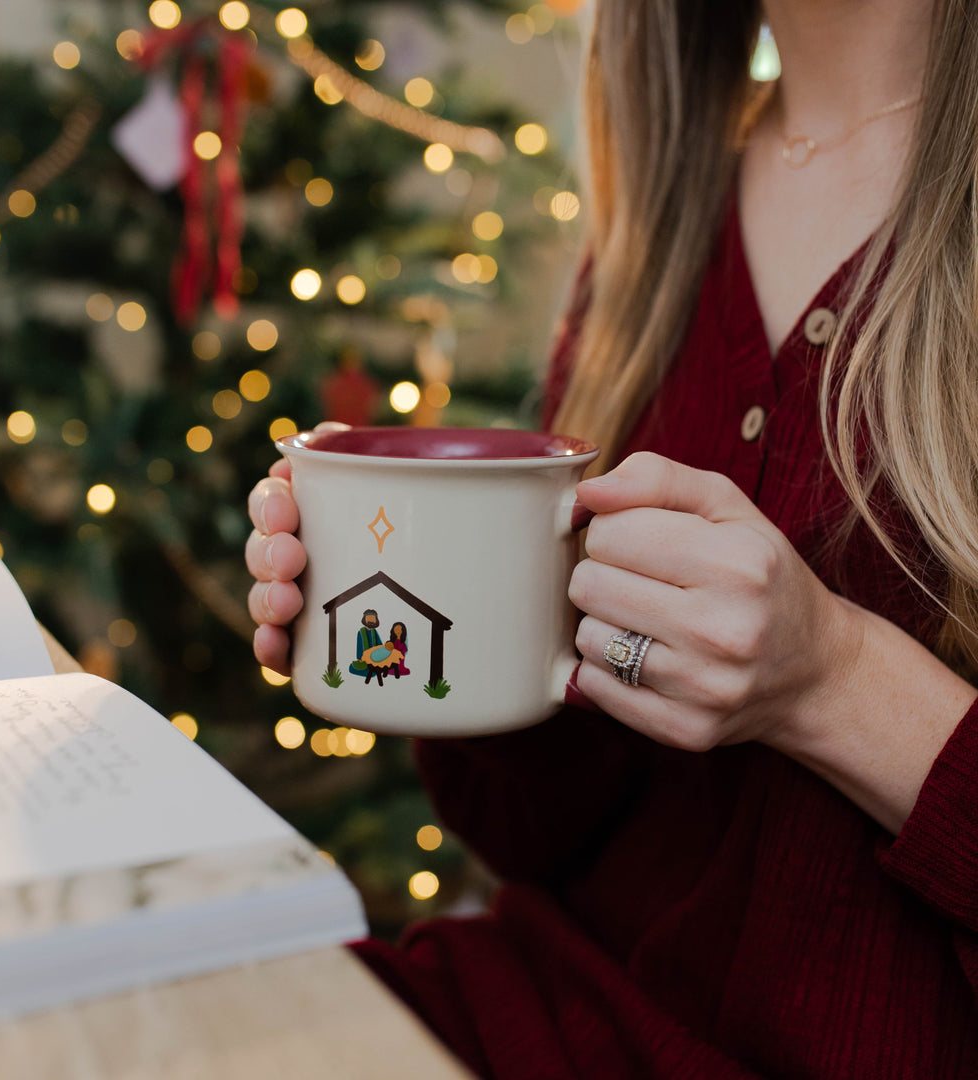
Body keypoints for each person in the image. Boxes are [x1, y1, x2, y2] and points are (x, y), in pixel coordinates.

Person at [245, 0, 978, 1074]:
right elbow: (535, 833)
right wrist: (450, 628)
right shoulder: (662, 217)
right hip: (541, 1015)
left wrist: (833, 678)